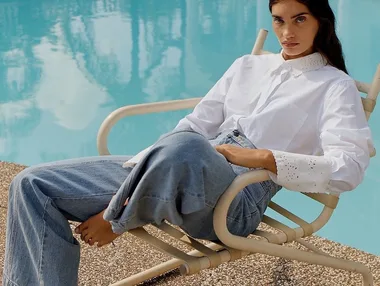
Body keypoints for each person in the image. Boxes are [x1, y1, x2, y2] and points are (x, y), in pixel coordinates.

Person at [3, 0, 374, 285]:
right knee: (31, 185)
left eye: (300, 19)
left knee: (189, 147)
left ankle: (117, 217)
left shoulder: (333, 86)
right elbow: (195, 124)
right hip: (177, 168)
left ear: (321, 22)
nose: (287, 31)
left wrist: (259, 157)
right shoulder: (248, 65)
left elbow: (349, 169)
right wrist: (149, 160)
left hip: (235, 200)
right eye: (279, 19)